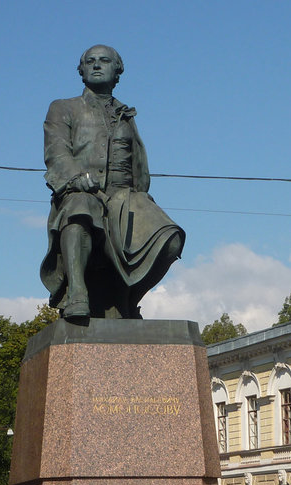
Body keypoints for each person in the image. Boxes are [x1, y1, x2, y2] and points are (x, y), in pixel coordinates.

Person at [40, 45, 185, 319]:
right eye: (90, 61)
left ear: (117, 71)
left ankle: (127, 299)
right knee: (79, 208)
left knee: (171, 239)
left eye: (104, 61)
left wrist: (140, 196)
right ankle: (77, 295)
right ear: (81, 72)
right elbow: (56, 152)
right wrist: (75, 178)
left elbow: (137, 167)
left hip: (125, 197)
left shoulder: (125, 115)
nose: (96, 65)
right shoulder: (63, 108)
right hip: (82, 190)